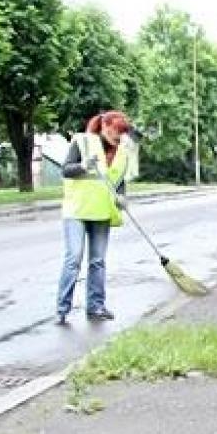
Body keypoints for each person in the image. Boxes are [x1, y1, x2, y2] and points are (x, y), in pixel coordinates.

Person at [55, 110, 137, 324]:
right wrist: (83, 166)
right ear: (104, 126)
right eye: (115, 131)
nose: (118, 137)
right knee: (74, 258)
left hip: (101, 211)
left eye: (122, 133)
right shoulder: (82, 142)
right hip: (77, 210)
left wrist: (122, 198)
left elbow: (119, 181)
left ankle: (96, 307)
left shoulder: (122, 153)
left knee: (98, 261)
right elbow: (65, 170)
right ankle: (62, 309)